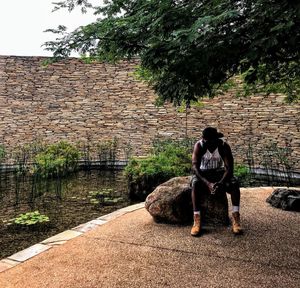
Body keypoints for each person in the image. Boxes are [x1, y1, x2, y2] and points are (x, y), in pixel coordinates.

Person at [190, 127, 242, 236]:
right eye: (204, 140)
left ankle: (236, 217)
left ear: (215, 139)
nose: (206, 142)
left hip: (219, 173)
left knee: (234, 183)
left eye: (208, 140)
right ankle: (197, 219)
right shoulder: (199, 146)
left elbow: (229, 168)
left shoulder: (223, 146)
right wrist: (207, 183)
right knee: (195, 184)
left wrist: (221, 182)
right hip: (203, 173)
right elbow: (195, 167)